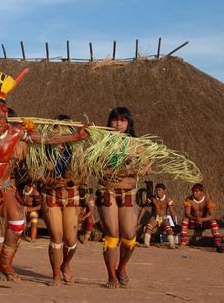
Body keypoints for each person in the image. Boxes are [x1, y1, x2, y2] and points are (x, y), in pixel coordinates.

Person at [0, 63, 89, 289]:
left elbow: (45, 139)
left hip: (4, 185)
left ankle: (5, 263)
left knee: (18, 222)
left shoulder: (17, 132)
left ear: (6, 114)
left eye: (0, 117)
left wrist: (75, 137)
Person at [96, 107, 145, 289]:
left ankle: (122, 268)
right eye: (115, 119)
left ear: (128, 122)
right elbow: (92, 165)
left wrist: (129, 169)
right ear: (109, 121)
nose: (118, 123)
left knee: (130, 235)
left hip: (128, 193)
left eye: (123, 120)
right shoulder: (102, 142)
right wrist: (108, 171)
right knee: (112, 234)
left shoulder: (136, 144)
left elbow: (147, 167)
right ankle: (111, 276)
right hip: (107, 191)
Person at [39, 114, 86, 286]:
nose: (61, 133)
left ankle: (66, 264)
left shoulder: (76, 150)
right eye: (57, 129)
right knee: (56, 237)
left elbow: (83, 175)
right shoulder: (44, 150)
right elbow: (35, 173)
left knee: (71, 240)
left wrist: (71, 181)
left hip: (71, 196)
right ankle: (56, 274)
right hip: (51, 196)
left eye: (65, 129)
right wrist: (49, 181)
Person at [180, 183, 222, 249]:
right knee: (185, 219)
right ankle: (183, 243)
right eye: (193, 191)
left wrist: (201, 220)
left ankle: (217, 244)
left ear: (202, 192)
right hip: (193, 222)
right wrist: (195, 219)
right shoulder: (189, 200)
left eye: (196, 191)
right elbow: (187, 214)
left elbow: (212, 216)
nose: (194, 193)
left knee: (213, 221)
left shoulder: (207, 200)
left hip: (204, 223)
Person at [139, 183, 177, 249]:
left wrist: (175, 222)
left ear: (164, 191)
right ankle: (146, 243)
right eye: (156, 190)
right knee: (148, 227)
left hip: (164, 217)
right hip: (154, 217)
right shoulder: (152, 198)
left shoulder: (168, 199)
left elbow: (172, 212)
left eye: (159, 190)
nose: (158, 192)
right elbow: (144, 208)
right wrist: (139, 219)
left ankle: (171, 244)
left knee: (169, 229)